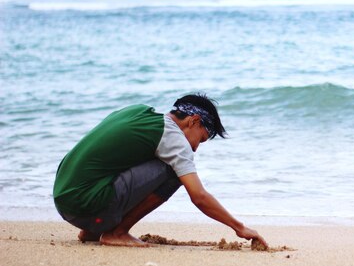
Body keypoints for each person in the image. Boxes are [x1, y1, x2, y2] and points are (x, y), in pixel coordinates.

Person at [53, 93, 267, 248]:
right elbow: (199, 196)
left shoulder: (137, 111)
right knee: (175, 172)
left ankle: (93, 229)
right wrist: (239, 227)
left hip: (65, 200)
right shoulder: (174, 139)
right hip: (86, 205)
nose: (194, 148)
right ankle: (116, 232)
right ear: (194, 121)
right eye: (200, 139)